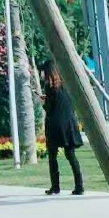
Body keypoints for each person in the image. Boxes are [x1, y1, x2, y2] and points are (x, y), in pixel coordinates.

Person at [42, 61, 84, 196]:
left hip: (55, 125)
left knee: (52, 156)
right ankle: (79, 186)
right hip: (69, 124)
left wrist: (43, 102)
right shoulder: (66, 85)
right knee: (70, 155)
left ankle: (55, 186)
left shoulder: (49, 87)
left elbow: (50, 108)